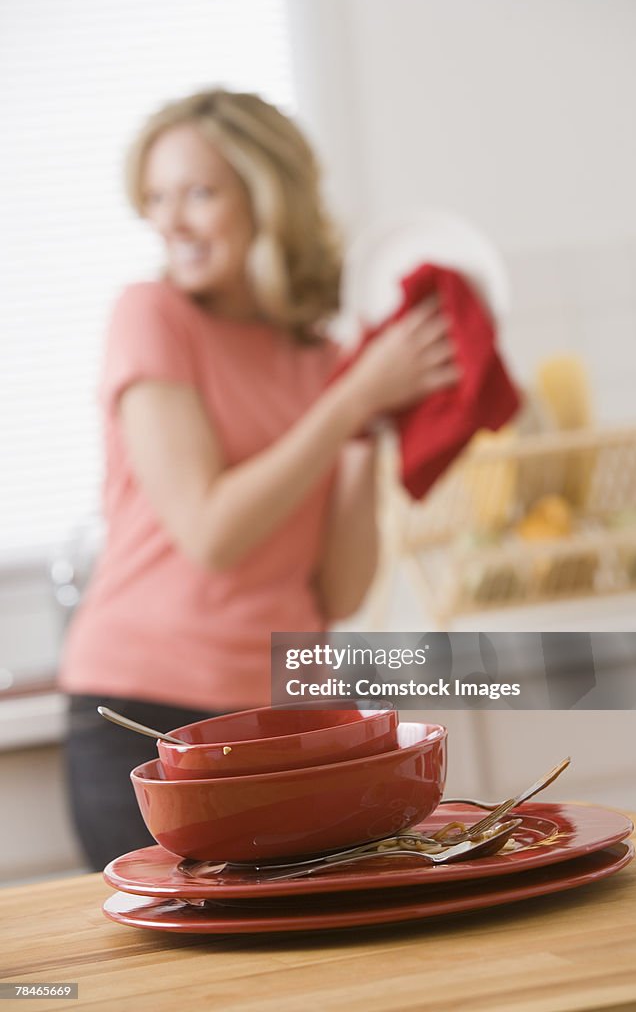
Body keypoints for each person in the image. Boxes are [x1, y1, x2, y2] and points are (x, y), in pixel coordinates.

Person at [58, 88, 458, 870]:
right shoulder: (151, 315)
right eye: (157, 197)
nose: (169, 221)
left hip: (286, 710)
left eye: (200, 193)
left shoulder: (319, 358)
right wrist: (352, 399)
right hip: (146, 714)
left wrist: (365, 422)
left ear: (268, 201)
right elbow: (211, 533)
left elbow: (338, 588)